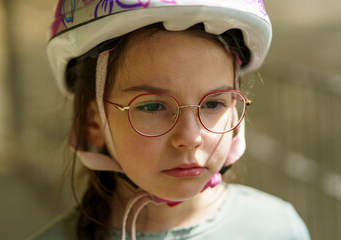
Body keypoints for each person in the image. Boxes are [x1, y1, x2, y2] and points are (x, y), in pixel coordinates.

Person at [31, 0, 311, 239]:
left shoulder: (279, 228)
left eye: (214, 103)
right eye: (152, 106)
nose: (190, 138)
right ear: (94, 123)